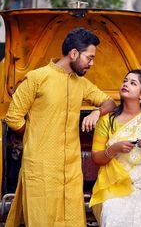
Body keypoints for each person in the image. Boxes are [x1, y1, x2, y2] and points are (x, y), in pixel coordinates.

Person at [5, 27, 116, 227]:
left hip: (71, 170)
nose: (92, 63)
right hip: (41, 168)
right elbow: (13, 118)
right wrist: (35, 136)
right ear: (74, 53)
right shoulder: (37, 78)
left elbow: (110, 102)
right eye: (89, 58)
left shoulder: (81, 83)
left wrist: (97, 112)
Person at [89, 69, 141, 227]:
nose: (126, 84)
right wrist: (114, 149)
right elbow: (96, 157)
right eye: (125, 81)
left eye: (133, 83)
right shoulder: (107, 121)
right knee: (113, 211)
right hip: (114, 182)